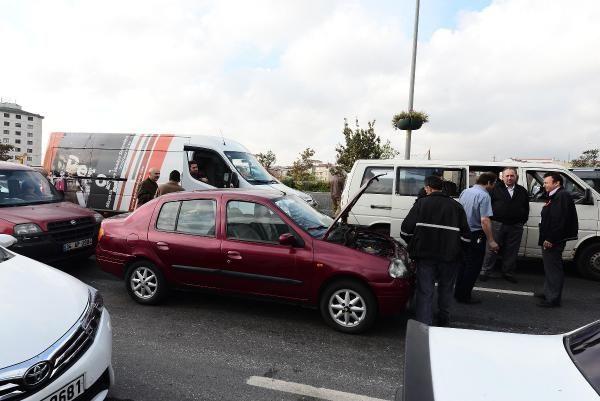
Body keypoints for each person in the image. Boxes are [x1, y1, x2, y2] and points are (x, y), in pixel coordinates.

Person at [401, 176, 471, 326]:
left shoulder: (421, 204)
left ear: (428, 188)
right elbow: (466, 237)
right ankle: (444, 319)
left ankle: (424, 325)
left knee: (425, 291)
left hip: (425, 256)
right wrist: (456, 249)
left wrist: (416, 243)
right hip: (450, 257)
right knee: (446, 289)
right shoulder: (456, 206)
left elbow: (405, 231)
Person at [454, 172, 499, 304]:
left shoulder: (465, 191)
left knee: (463, 264)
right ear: (489, 182)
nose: (494, 186)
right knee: (473, 267)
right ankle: (464, 296)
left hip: (462, 233)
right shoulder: (484, 196)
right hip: (475, 234)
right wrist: (491, 240)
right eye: (494, 183)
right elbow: (485, 220)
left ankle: (458, 292)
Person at [480, 167, 529, 283]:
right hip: (497, 224)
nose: (509, 178)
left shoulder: (522, 191)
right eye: (507, 176)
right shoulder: (494, 189)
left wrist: (522, 221)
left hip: (516, 226)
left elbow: (526, 208)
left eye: (512, 176)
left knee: (512, 250)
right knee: (492, 248)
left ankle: (508, 273)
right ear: (502, 177)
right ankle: (485, 271)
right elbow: (487, 206)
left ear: (516, 177)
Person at [536, 172, 578, 307]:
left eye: (546, 182)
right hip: (550, 237)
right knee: (549, 267)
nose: (544, 185)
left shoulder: (562, 196)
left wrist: (550, 238)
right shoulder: (556, 195)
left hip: (553, 239)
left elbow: (559, 220)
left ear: (557, 183)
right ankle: (548, 292)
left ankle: (553, 299)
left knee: (553, 268)